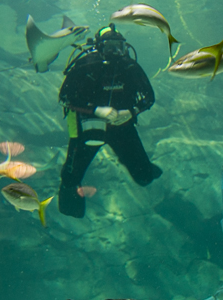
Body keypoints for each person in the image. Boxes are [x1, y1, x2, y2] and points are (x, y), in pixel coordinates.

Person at [57, 24, 162, 217]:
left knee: (145, 177)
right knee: (71, 178)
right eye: (108, 46)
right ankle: (70, 210)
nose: (114, 51)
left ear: (124, 47)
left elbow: (149, 97)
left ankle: (138, 167)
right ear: (99, 47)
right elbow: (65, 97)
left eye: (118, 46)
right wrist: (96, 110)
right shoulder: (86, 65)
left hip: (122, 126)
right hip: (88, 127)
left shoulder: (129, 66)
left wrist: (131, 112)